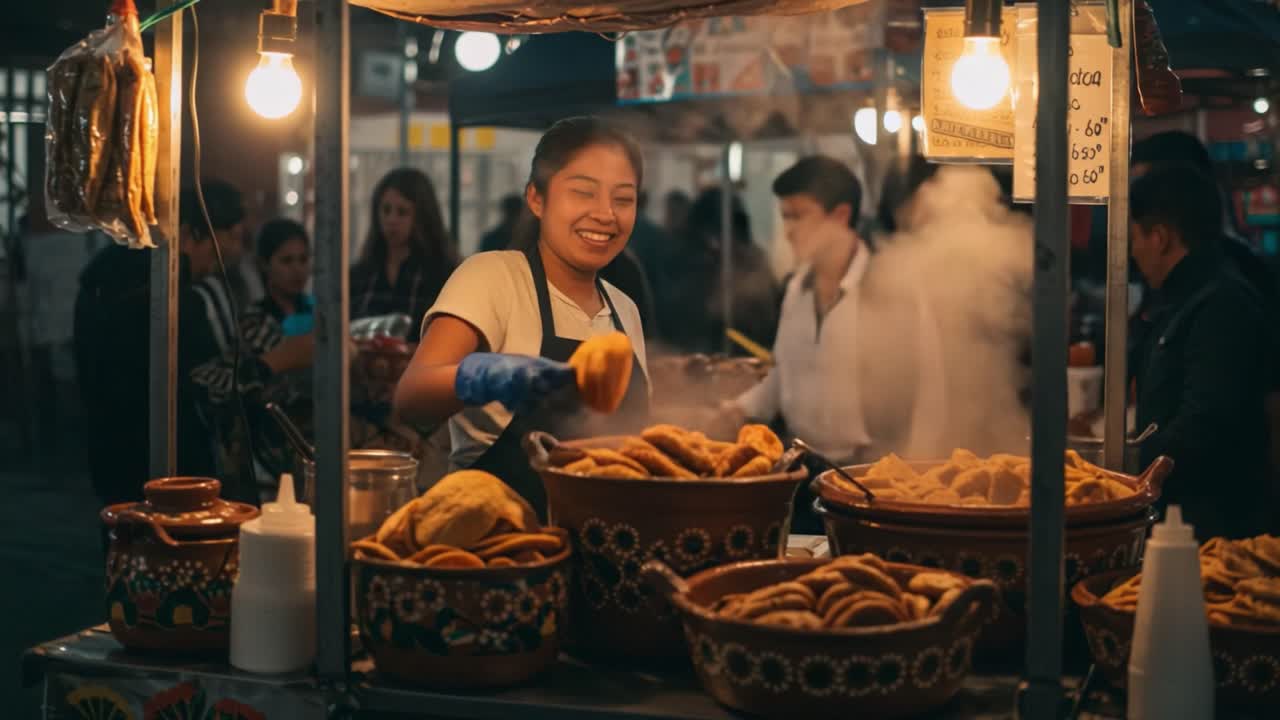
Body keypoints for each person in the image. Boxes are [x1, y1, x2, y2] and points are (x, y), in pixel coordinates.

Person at [394, 117, 650, 518]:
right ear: (536, 198)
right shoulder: (493, 277)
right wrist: (488, 375)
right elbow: (411, 397)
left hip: (607, 543)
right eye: (583, 192)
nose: (606, 214)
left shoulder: (625, 310)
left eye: (623, 199)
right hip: (501, 547)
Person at [1129, 164, 1274, 539]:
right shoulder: (1182, 299)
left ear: (1159, 237)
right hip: (1180, 522)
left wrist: (1122, 466)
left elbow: (1205, 422)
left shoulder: (1222, 304)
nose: (1131, 253)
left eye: (1134, 238)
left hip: (1212, 527)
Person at [74, 189, 231, 525]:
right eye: (212, 247)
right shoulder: (173, 298)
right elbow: (204, 383)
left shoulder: (97, 284)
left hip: (110, 455)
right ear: (188, 234)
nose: (213, 262)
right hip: (174, 465)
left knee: (125, 555)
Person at [191, 219, 316, 499]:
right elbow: (221, 384)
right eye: (286, 260)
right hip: (273, 454)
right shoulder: (253, 323)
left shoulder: (321, 314)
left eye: (303, 259)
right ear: (264, 265)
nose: (298, 269)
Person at [656, 188, 780, 355]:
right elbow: (674, 319)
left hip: (747, 359)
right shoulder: (687, 259)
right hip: (692, 359)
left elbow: (768, 321)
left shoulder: (752, 261)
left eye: (721, 236)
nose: (715, 245)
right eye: (710, 237)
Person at [351, 168, 459, 341]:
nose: (391, 220)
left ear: (422, 216)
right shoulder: (360, 276)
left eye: (402, 212)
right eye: (386, 210)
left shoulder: (441, 275)